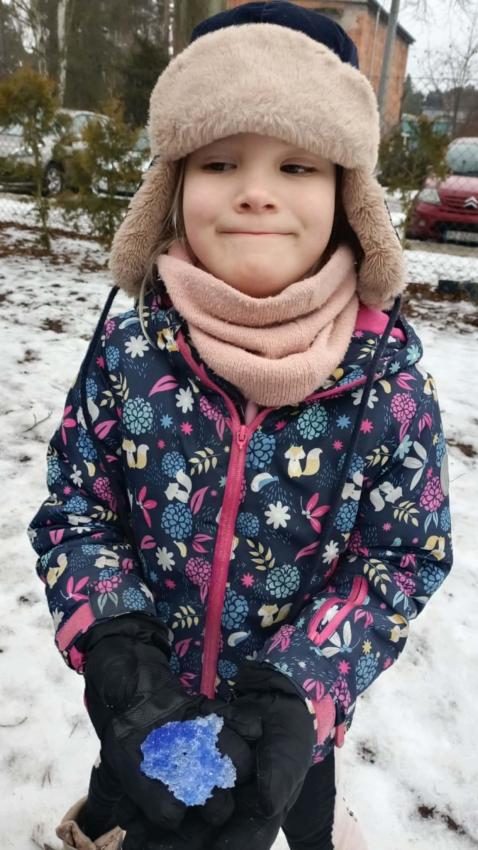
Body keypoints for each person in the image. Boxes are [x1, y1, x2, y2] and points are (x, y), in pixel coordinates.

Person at [28, 3, 453, 849]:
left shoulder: (389, 385)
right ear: (171, 189)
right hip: (143, 718)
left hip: (291, 732)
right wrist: (116, 642)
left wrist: (301, 686)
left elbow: (402, 556)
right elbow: (77, 509)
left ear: (349, 198)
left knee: (297, 819)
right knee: (124, 822)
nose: (257, 191)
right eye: (220, 161)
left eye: (297, 165)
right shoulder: (127, 356)